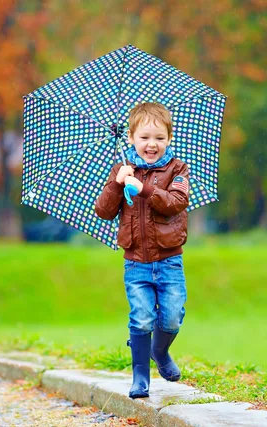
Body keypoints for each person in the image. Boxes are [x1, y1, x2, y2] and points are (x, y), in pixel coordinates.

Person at [94, 102, 190, 399]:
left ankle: (158, 352)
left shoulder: (178, 169)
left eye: (160, 138)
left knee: (172, 316)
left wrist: (144, 188)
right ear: (131, 139)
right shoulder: (122, 169)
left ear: (169, 139)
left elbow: (176, 202)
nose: (152, 144)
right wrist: (116, 183)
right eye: (145, 137)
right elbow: (103, 211)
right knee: (141, 317)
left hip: (169, 259)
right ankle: (140, 377)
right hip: (135, 262)